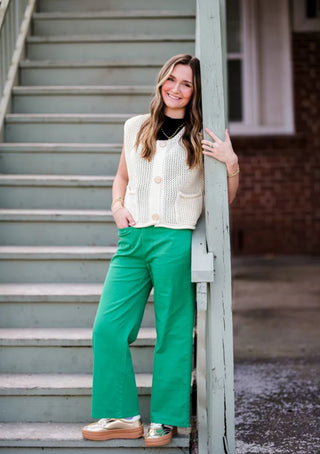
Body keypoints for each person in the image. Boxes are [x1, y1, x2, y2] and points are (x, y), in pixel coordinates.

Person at [81, 54, 239, 447]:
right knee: (108, 328)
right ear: (161, 81)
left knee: (173, 331)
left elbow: (223, 201)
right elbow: (122, 176)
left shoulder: (203, 134)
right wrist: (117, 207)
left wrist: (232, 164)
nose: (177, 89)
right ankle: (121, 415)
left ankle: (166, 419)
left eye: (186, 84)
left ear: (195, 91)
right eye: (172, 79)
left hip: (175, 241)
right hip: (133, 241)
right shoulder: (136, 127)